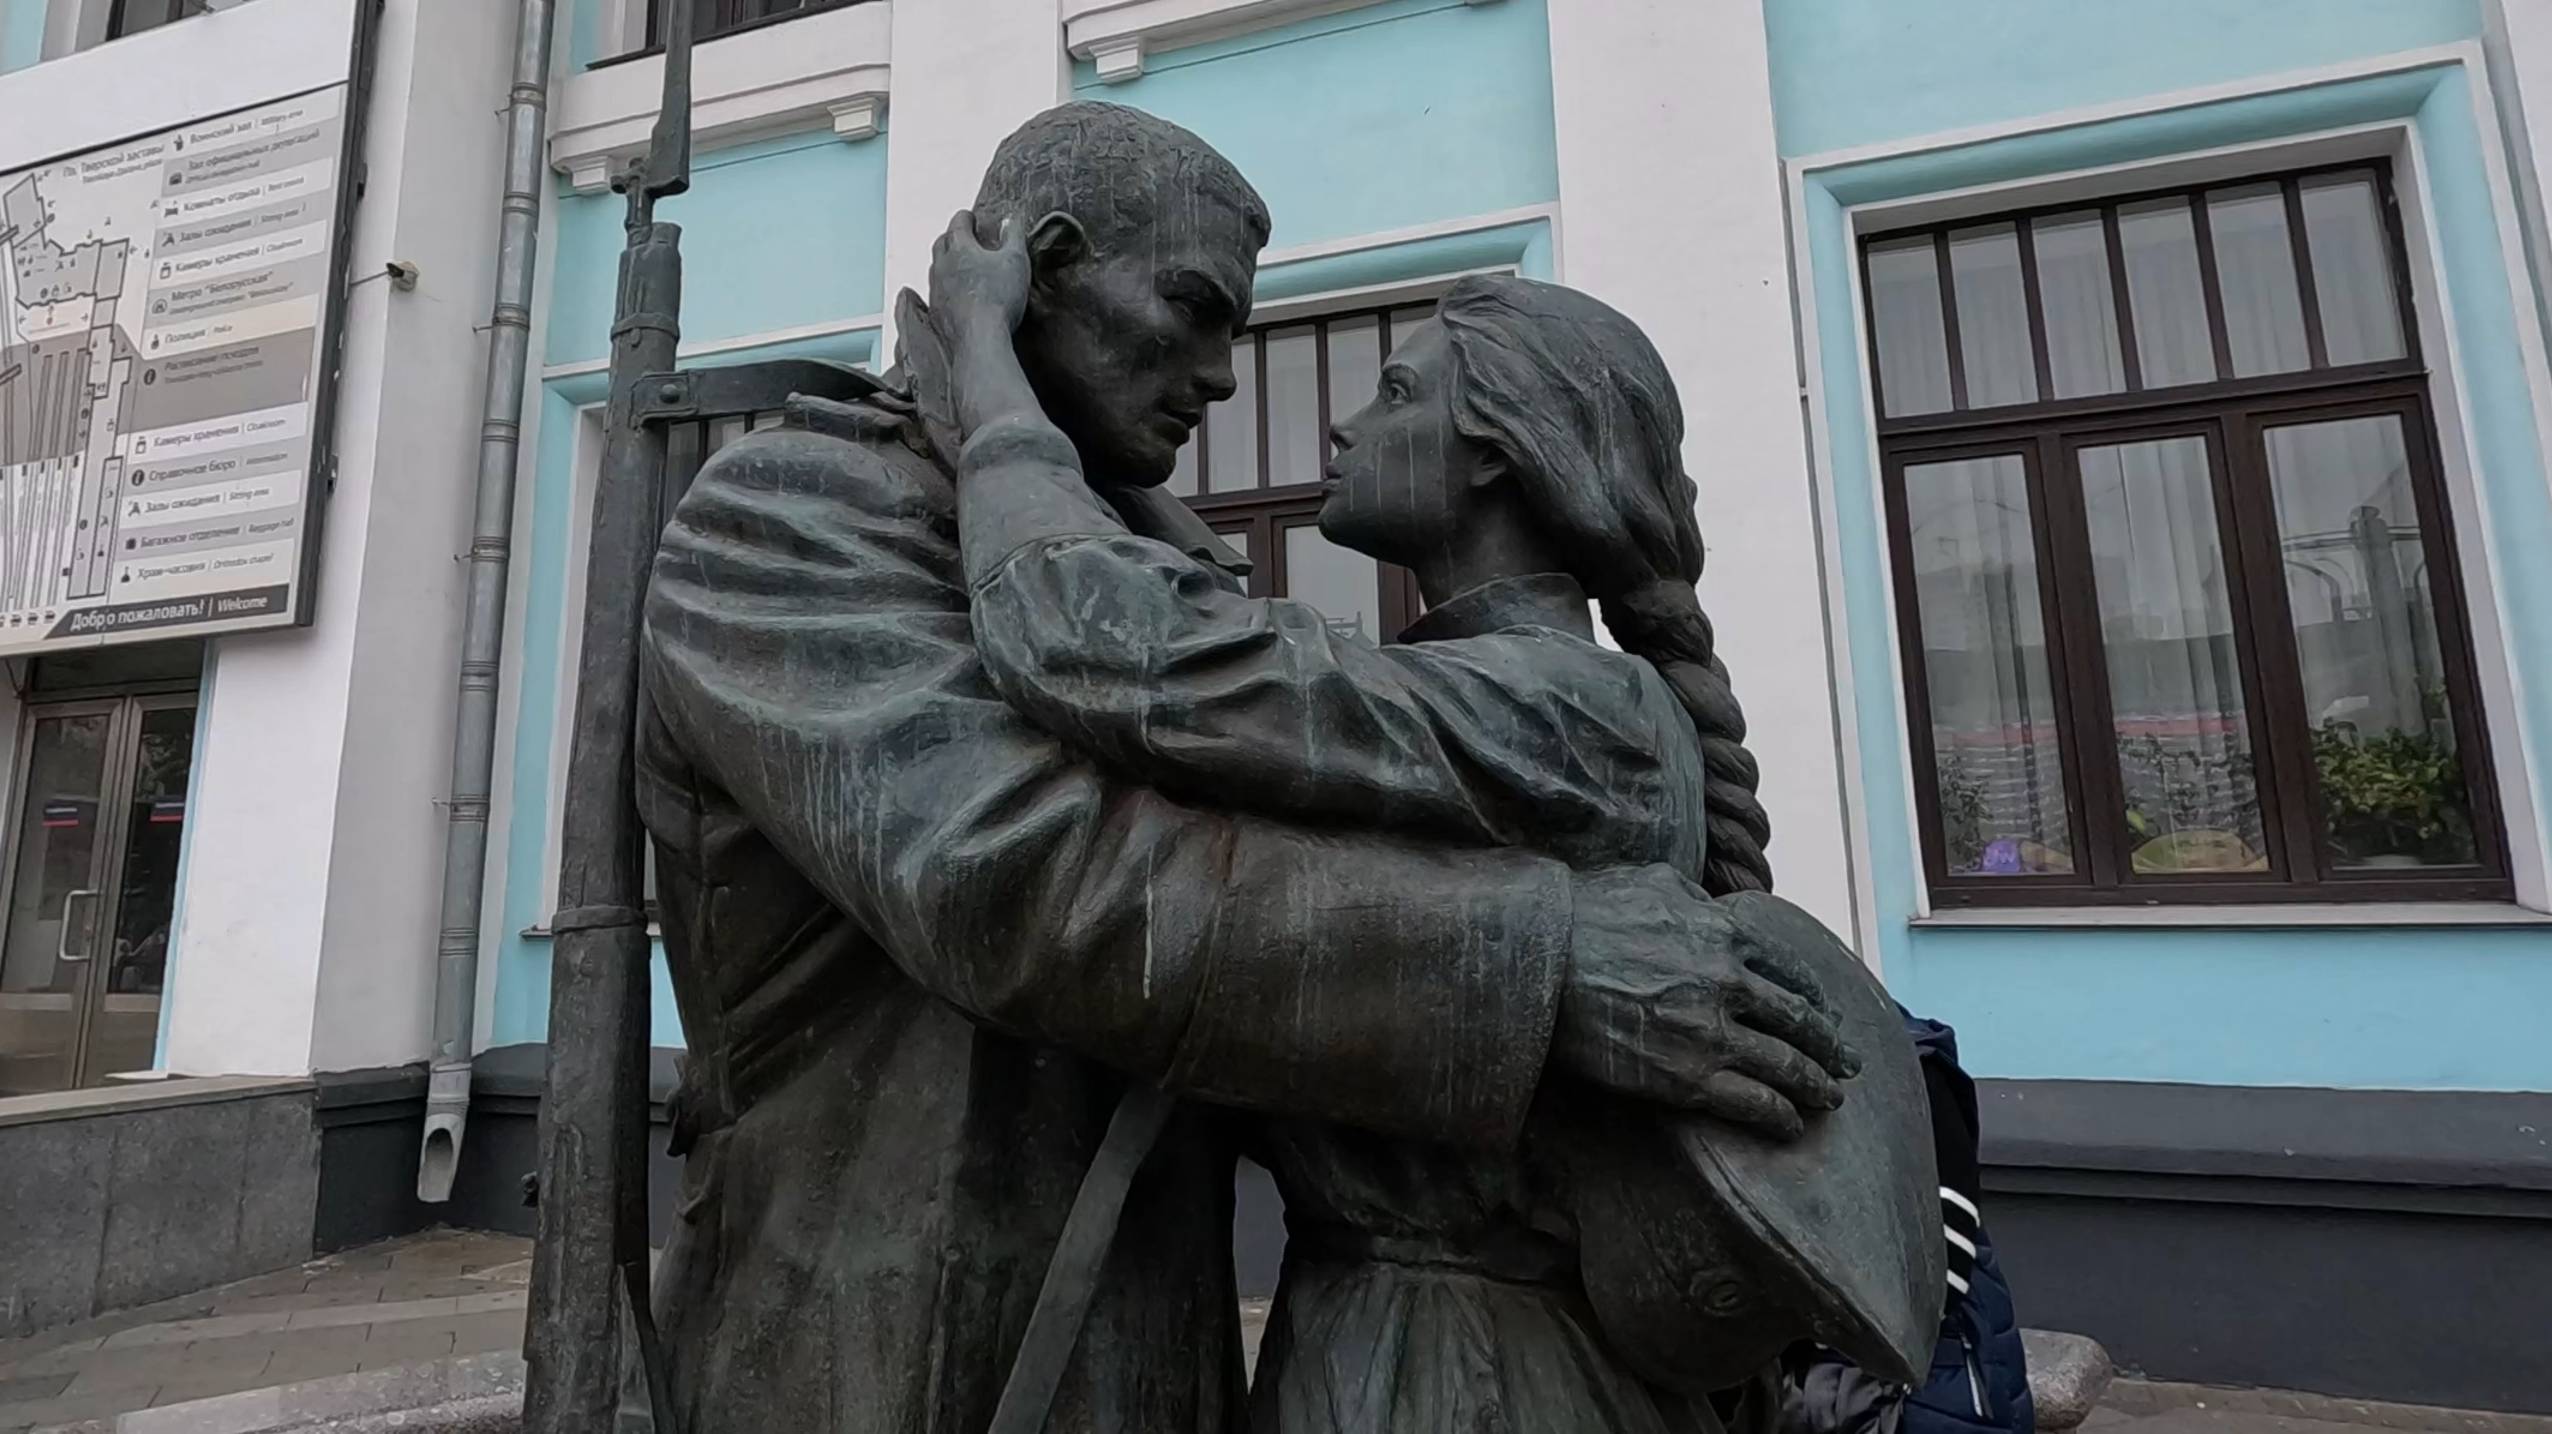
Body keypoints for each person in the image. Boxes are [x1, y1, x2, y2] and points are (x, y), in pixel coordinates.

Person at [635, 102, 1856, 1432]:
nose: (1226, 377)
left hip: (1179, 1352)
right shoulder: (798, 514)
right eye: (1195, 309)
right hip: (885, 1356)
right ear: (1041, 267)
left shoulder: (1153, 563)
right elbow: (1033, 881)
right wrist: (1536, 966)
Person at [928, 246, 1885, 1431]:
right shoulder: (1517, 693)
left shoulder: (1560, 706)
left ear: (1494, 448)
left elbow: (1085, 636)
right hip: (1424, 1343)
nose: (1340, 428)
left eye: (1392, 394)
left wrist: (985, 360)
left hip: (1464, 1375)